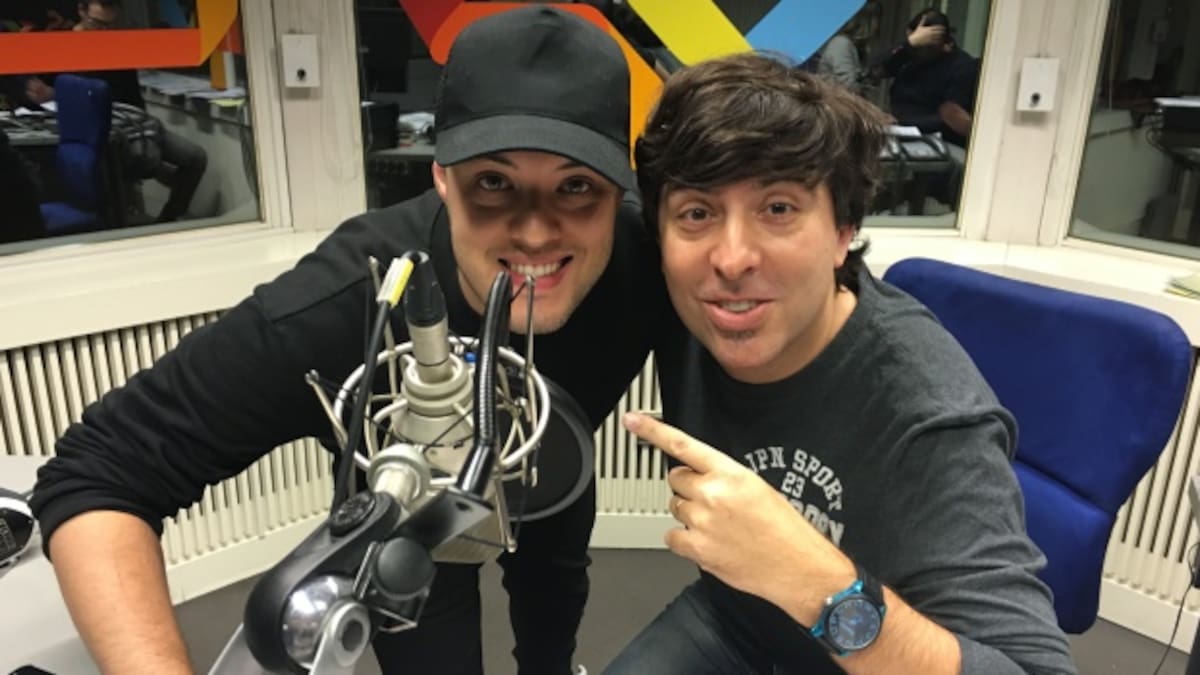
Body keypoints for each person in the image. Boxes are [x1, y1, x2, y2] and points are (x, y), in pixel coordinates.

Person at [30, 6, 666, 675]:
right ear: (441, 177)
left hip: (554, 465)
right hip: (418, 516)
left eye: (576, 186)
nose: (535, 233)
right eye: (493, 182)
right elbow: (99, 467)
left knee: (553, 609)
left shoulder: (651, 266)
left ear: (616, 189)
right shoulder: (347, 302)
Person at [607, 52, 1078, 674]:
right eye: (697, 213)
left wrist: (813, 582)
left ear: (842, 231)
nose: (732, 258)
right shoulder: (684, 291)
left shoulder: (927, 414)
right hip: (734, 619)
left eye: (778, 209)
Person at [20, 0, 209, 223]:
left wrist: (145, 132)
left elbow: (133, 97)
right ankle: (150, 175)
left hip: (129, 123)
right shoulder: (60, 43)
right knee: (132, 163)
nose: (103, 31)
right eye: (97, 24)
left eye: (110, 24)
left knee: (195, 158)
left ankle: (168, 218)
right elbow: (40, 94)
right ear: (81, 11)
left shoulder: (116, 42)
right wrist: (48, 93)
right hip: (89, 132)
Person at [874, 8, 979, 150]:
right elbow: (873, 71)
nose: (917, 52)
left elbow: (951, 117)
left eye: (922, 47)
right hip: (897, 135)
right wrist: (908, 45)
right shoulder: (908, 55)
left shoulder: (962, 66)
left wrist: (900, 122)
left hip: (938, 142)